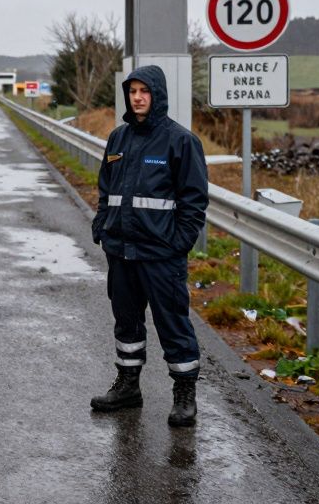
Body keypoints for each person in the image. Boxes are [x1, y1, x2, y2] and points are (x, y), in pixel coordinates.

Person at [90, 65, 209, 427]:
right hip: (121, 252)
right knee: (126, 323)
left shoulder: (180, 141)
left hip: (161, 256)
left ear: (157, 95)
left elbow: (194, 201)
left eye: (145, 91)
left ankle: (184, 394)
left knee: (172, 324)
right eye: (133, 91)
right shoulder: (118, 139)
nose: (138, 97)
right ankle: (128, 387)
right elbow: (105, 190)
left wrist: (179, 244)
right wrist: (102, 227)